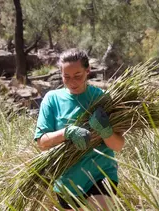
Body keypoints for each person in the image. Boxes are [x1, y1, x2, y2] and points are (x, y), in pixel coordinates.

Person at [34, 48, 125, 210]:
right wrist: (67, 132)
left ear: (88, 70)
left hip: (101, 172)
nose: (72, 82)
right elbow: (42, 142)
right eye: (66, 77)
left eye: (78, 76)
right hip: (67, 179)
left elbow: (118, 146)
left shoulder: (103, 98)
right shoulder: (52, 99)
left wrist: (106, 132)